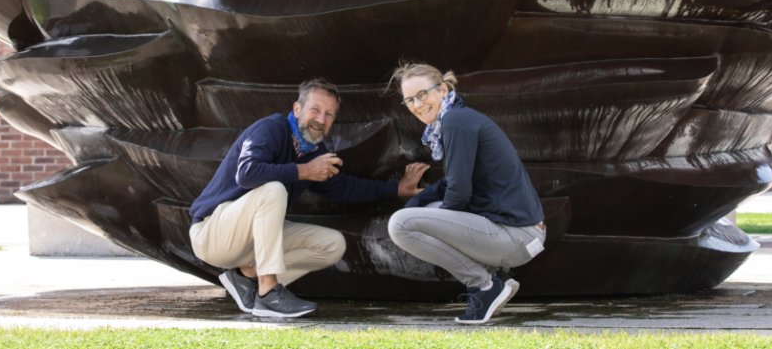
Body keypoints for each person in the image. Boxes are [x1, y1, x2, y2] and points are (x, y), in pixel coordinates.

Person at [189, 78, 428, 318]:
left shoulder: (314, 152)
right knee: (273, 190)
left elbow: (344, 187)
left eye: (329, 114)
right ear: (297, 109)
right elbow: (248, 173)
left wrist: (396, 189)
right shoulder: (271, 128)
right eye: (315, 109)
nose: (321, 120)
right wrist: (305, 171)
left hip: (250, 244)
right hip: (212, 233)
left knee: (332, 244)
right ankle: (268, 293)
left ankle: (245, 276)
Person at [387, 63, 545, 324]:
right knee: (419, 214)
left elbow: (458, 193)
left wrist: (422, 221)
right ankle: (497, 277)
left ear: (443, 89)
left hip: (516, 236)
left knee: (400, 226)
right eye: (410, 100)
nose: (417, 104)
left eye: (422, 94)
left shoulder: (455, 121)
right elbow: (450, 185)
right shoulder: (455, 118)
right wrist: (417, 207)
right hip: (519, 234)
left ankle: (485, 285)